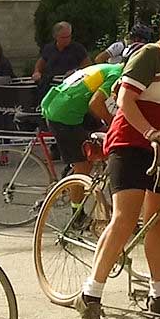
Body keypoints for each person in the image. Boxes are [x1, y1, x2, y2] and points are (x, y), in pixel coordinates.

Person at [74, 0, 160, 319]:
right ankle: (91, 295)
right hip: (132, 144)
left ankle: (159, 293)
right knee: (124, 219)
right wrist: (149, 132)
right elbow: (126, 101)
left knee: (157, 223)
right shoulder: (150, 55)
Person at [41, 62, 121, 217]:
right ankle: (77, 214)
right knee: (83, 166)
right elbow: (96, 104)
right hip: (64, 114)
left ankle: (75, 172)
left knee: (98, 139)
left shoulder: (111, 68)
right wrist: (114, 125)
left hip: (63, 103)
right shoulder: (117, 75)